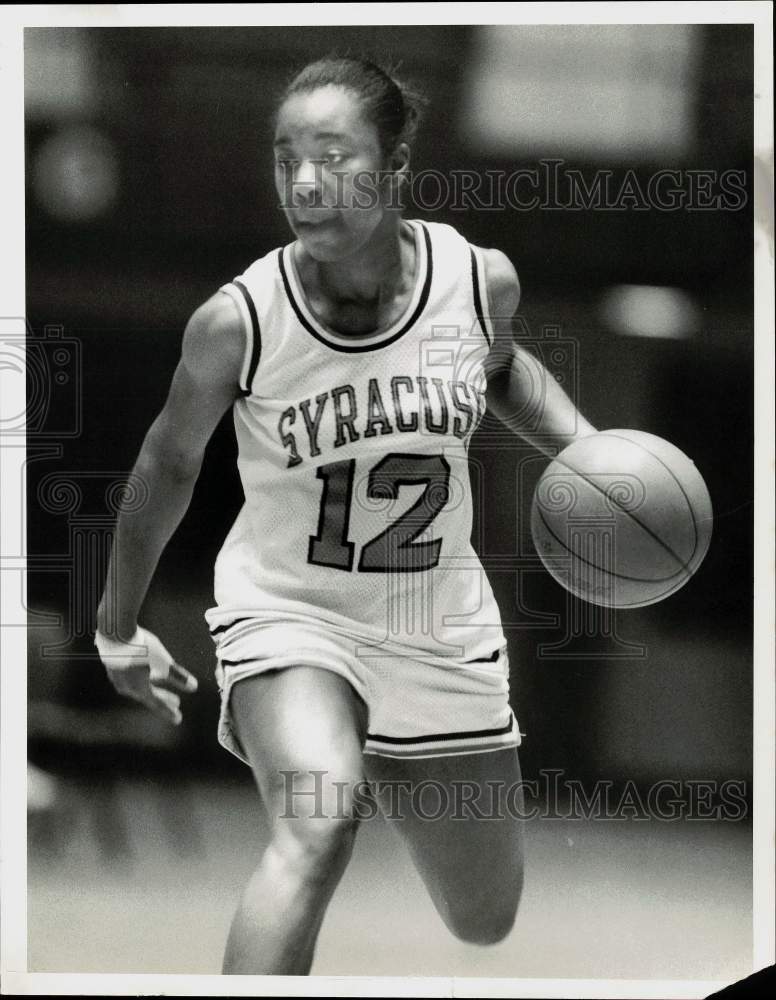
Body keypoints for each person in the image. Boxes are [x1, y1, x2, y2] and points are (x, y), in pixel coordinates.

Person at [95, 56, 597, 975]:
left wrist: (589, 450)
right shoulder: (239, 321)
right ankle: (345, 744)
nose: (304, 182)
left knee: (486, 917)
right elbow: (166, 463)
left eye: (333, 155)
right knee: (317, 826)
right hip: (290, 611)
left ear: (396, 166)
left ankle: (394, 745)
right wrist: (116, 628)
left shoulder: (477, 281)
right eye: (287, 158)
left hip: (435, 627)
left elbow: (499, 370)